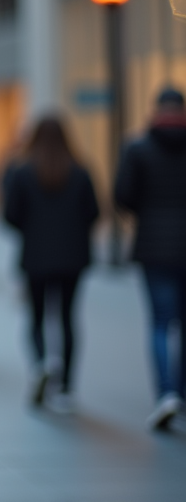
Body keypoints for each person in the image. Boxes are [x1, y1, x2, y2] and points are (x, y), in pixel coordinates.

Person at [2, 118, 98, 414]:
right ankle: (67, 386)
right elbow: (93, 213)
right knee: (68, 318)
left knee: (37, 316)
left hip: (36, 257)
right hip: (72, 257)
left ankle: (40, 364)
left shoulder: (22, 173)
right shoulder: (80, 172)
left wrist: (32, 230)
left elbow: (10, 215)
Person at [115, 86, 186, 431]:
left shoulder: (138, 148)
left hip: (154, 248)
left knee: (160, 323)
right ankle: (181, 394)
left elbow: (123, 195)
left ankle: (165, 394)